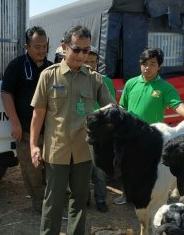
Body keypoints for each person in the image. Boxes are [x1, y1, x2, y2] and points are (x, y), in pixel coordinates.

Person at [30, 25, 115, 234]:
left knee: (79, 203)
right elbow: (38, 113)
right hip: (57, 151)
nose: (81, 55)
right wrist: (33, 145)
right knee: (53, 203)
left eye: (86, 51)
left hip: (84, 152)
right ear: (64, 47)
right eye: (76, 49)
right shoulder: (49, 76)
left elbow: (112, 109)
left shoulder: (94, 79)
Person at [114, 47, 184, 205]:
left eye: (152, 63)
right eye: (144, 63)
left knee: (149, 168)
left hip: (152, 136)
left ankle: (149, 196)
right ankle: (126, 195)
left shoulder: (165, 87)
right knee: (128, 166)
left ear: (159, 67)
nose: (147, 67)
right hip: (130, 135)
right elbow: (122, 107)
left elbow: (177, 104)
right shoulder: (131, 84)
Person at [1, 26, 52, 213]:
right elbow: (6, 95)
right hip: (26, 131)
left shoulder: (52, 68)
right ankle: (39, 206)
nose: (41, 50)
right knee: (32, 172)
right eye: (37, 46)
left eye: (44, 46)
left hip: (51, 132)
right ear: (26, 46)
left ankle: (53, 205)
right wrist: (14, 122)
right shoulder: (16, 66)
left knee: (53, 172)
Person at [83, 46, 115, 212]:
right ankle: (85, 198)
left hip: (101, 134)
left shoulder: (104, 80)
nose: (89, 64)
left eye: (93, 61)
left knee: (100, 170)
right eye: (87, 60)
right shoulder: (78, 78)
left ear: (97, 63)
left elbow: (111, 106)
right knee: (83, 170)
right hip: (83, 132)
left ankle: (101, 200)